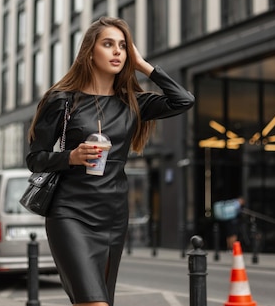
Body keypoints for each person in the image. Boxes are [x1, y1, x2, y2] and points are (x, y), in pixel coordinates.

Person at [26, 16, 195, 306]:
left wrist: (142, 64)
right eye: (108, 44)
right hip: (70, 213)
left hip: (113, 216)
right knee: (94, 302)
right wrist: (71, 157)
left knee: (97, 300)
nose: (117, 51)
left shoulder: (132, 102)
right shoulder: (62, 100)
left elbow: (183, 100)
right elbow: (34, 159)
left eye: (123, 46)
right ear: (90, 52)